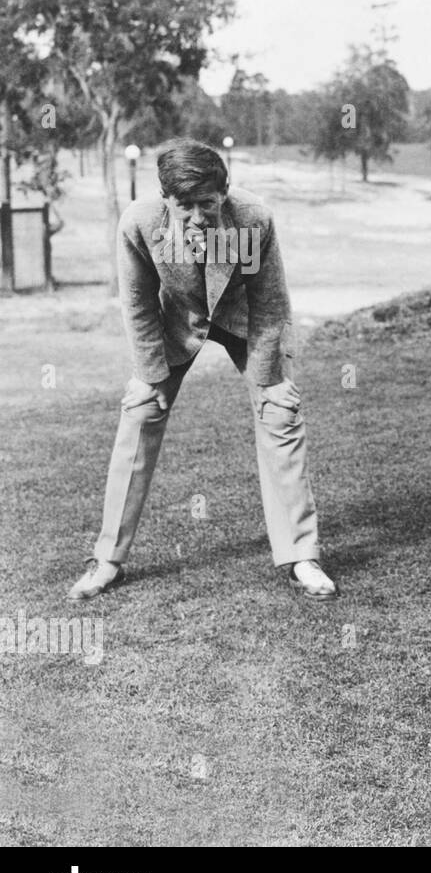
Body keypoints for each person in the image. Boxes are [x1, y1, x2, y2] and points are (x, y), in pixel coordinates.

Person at [67, 138, 338, 603]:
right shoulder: (139, 223)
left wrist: (271, 378)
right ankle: (108, 560)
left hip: (243, 320)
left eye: (207, 204)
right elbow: (137, 304)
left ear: (224, 195)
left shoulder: (253, 220)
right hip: (176, 322)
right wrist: (153, 376)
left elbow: (270, 305)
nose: (197, 215)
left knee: (280, 410)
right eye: (185, 205)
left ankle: (301, 555)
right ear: (166, 199)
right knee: (141, 409)